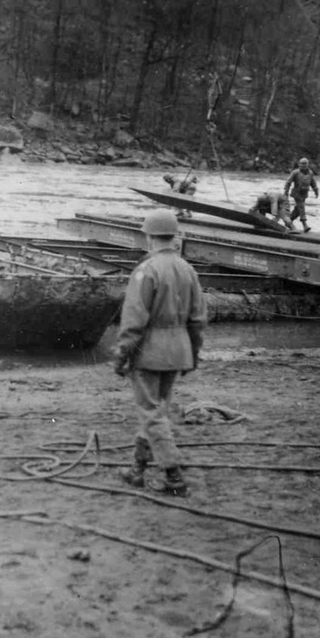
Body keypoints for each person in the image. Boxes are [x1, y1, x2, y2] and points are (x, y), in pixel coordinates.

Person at [112, 209, 207, 496]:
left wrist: (121, 353)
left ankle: (174, 476)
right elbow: (199, 318)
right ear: (174, 236)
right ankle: (137, 469)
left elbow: (134, 320)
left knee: (151, 413)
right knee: (157, 410)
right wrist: (193, 353)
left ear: (149, 237)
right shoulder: (187, 269)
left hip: (150, 352)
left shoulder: (146, 270)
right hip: (178, 350)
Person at [284, 157, 319, 232]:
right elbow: (288, 182)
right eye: (302, 164)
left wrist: (316, 191)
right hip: (297, 193)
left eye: (305, 164)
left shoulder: (310, 173)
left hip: (304, 194)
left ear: (308, 164)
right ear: (299, 164)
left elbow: (313, 183)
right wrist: (286, 191)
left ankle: (289, 221)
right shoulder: (295, 172)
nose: (304, 166)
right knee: (301, 207)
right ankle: (305, 225)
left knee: (297, 210)